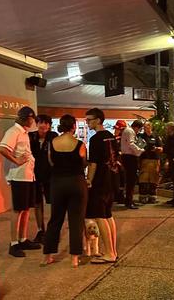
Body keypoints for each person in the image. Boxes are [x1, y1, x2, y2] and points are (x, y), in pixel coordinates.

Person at [41, 114, 88, 268]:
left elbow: (50, 162)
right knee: (76, 220)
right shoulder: (79, 144)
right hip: (76, 182)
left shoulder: (52, 142)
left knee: (55, 219)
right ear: (74, 126)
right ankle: (74, 258)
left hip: (57, 183)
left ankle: (47, 255)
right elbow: (83, 163)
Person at [0, 106, 41, 257]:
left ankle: (22, 238)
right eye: (32, 119)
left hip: (27, 175)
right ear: (27, 118)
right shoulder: (13, 132)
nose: (34, 122)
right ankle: (14, 243)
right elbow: (2, 148)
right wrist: (16, 161)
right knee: (17, 209)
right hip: (18, 176)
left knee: (25, 208)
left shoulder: (23, 132)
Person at [85, 108, 118, 263]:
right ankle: (113, 250)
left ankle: (110, 253)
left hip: (100, 180)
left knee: (100, 216)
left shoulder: (96, 139)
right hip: (112, 178)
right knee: (108, 215)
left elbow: (93, 163)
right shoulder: (111, 137)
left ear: (98, 120)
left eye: (89, 120)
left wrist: (89, 179)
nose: (87, 123)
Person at [29, 114, 58, 243]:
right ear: (36, 123)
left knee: (53, 202)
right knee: (37, 203)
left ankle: (52, 230)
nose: (43, 125)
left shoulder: (53, 136)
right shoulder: (31, 136)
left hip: (51, 175)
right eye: (41, 122)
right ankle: (41, 230)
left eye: (46, 123)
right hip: (34, 174)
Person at [120, 120, 145, 209]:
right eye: (140, 129)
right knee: (131, 180)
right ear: (137, 127)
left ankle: (129, 200)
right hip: (129, 157)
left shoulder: (127, 131)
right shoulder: (130, 131)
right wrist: (140, 150)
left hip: (128, 157)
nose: (139, 131)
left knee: (131, 180)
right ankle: (129, 202)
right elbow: (131, 144)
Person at [138, 121, 163, 204]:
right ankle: (143, 196)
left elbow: (161, 148)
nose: (146, 128)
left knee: (153, 178)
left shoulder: (156, 136)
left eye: (147, 126)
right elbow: (137, 146)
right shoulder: (140, 136)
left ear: (151, 127)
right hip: (144, 159)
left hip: (154, 160)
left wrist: (157, 149)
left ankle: (152, 196)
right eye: (144, 127)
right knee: (143, 178)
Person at [112, 120, 127, 204]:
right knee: (117, 180)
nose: (116, 131)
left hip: (122, 162)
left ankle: (120, 195)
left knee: (122, 180)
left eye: (117, 129)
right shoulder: (115, 139)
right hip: (116, 163)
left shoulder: (123, 139)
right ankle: (117, 196)